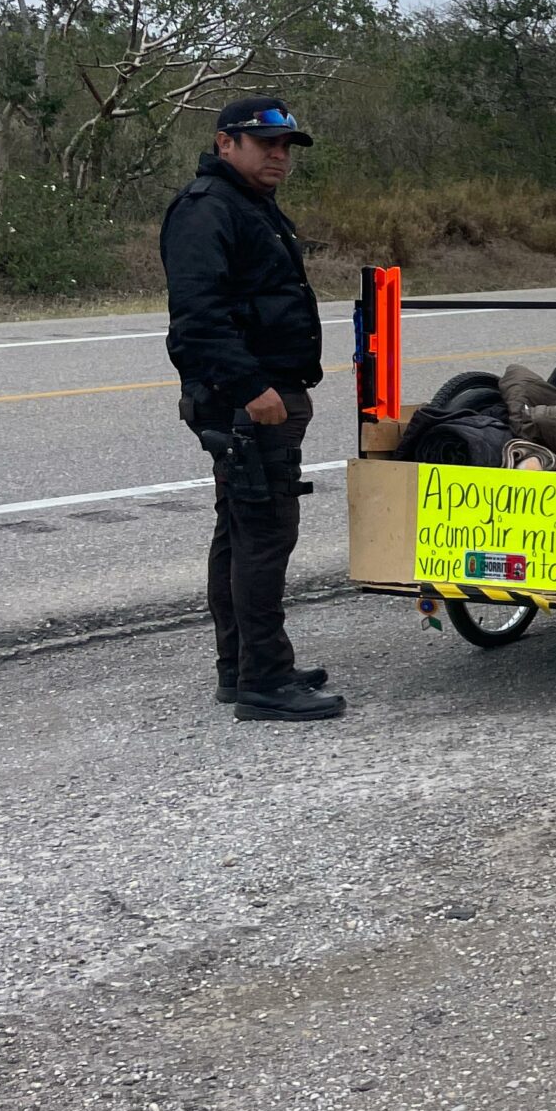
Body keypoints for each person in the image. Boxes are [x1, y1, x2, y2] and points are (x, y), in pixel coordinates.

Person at [160, 97, 342, 721]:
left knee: (240, 531)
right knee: (264, 535)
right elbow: (197, 318)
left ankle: (239, 667)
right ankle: (266, 679)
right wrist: (252, 388)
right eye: (265, 143)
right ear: (224, 143)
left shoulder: (250, 205)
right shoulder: (206, 208)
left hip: (263, 391)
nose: (279, 155)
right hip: (248, 400)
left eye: (286, 145)